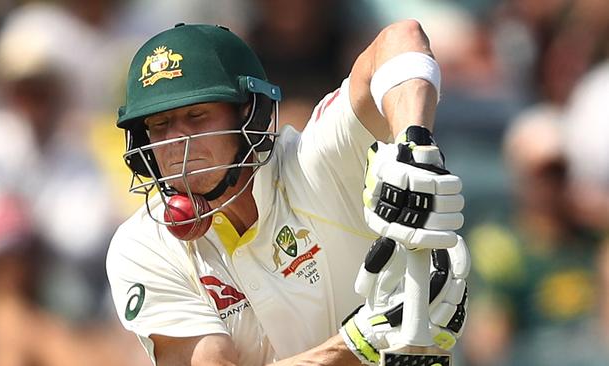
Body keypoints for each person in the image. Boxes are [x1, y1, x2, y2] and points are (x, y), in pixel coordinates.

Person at [106, 21, 469, 365]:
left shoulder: (315, 162)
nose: (176, 141)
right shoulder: (143, 246)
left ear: (250, 113)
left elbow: (401, 38)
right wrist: (358, 343)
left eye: (197, 115)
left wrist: (414, 149)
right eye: (159, 124)